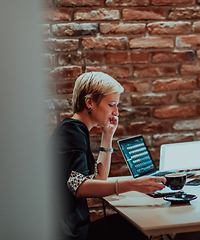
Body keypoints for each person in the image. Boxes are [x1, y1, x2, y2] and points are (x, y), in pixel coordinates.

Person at [49, 72, 166, 240]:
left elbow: (99, 179)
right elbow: (80, 187)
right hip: (71, 233)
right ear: (89, 102)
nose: (116, 112)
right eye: (111, 104)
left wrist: (107, 135)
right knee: (138, 225)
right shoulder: (72, 131)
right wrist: (133, 184)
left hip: (73, 229)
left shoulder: (75, 129)